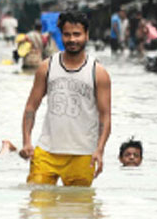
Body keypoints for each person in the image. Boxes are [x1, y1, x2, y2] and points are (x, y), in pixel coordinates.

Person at [19, 11, 112, 186]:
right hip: (46, 151)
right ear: (61, 35)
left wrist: (100, 150)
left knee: (79, 207)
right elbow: (31, 107)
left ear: (86, 35)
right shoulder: (46, 67)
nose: (72, 39)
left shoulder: (98, 73)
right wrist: (26, 142)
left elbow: (105, 116)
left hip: (84, 154)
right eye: (67, 34)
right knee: (36, 205)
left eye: (77, 34)